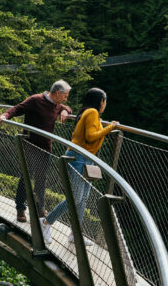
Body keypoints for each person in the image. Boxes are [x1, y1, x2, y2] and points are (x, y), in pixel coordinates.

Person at [41, 87, 119, 245]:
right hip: (78, 158)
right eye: (105, 101)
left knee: (82, 200)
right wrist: (111, 127)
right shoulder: (92, 112)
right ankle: (46, 223)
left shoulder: (89, 113)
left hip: (85, 159)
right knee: (75, 198)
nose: (105, 104)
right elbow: (90, 137)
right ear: (100, 101)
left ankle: (74, 234)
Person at [0, 80, 72, 222]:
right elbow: (18, 108)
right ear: (57, 93)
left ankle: (39, 208)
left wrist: (65, 110)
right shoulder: (36, 100)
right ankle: (20, 209)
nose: (65, 98)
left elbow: (67, 107)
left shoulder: (57, 105)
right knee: (26, 177)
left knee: (41, 179)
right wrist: (5, 116)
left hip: (45, 147)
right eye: (65, 95)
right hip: (30, 145)